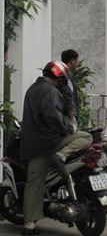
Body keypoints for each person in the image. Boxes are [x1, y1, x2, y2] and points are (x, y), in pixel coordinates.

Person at [21, 61, 93, 235]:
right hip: (52, 143)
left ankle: (29, 225)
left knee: (34, 183)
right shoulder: (51, 92)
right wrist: (70, 128)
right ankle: (62, 155)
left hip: (33, 146)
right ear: (58, 78)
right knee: (87, 137)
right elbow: (54, 119)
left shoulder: (32, 89)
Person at [60, 49, 80, 119]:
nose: (77, 63)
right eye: (77, 60)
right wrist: (72, 114)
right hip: (67, 116)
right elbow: (69, 96)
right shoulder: (67, 75)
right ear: (72, 61)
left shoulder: (63, 74)